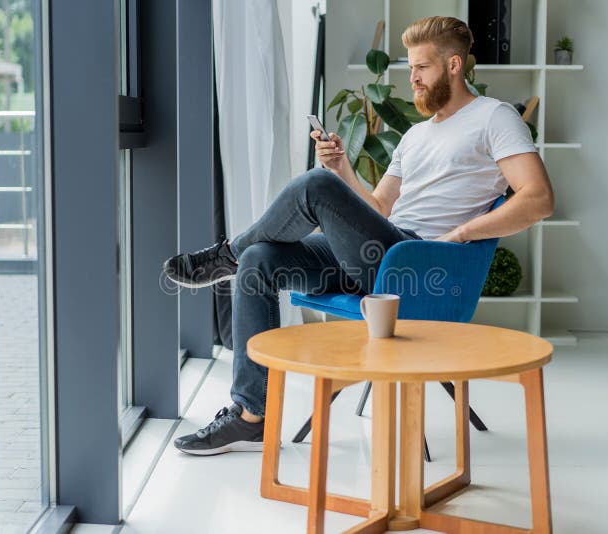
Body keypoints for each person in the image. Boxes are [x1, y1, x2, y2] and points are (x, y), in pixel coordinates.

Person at [163, 16, 554, 455]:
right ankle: (251, 414)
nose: (414, 79)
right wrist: (342, 170)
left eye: (422, 68)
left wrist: (460, 233)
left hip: (418, 262)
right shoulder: (415, 136)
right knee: (262, 260)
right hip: (377, 253)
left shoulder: (494, 117)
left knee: (312, 187)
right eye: (410, 70)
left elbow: (538, 199)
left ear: (454, 65)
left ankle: (224, 256)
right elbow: (379, 209)